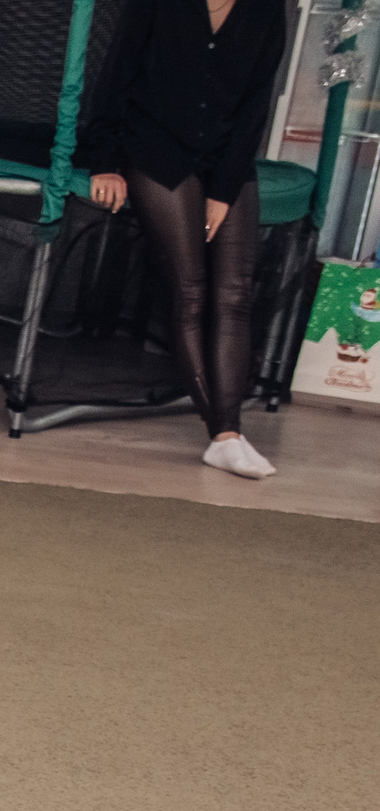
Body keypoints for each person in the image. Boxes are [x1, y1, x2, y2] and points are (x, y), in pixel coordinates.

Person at [84, 0, 290, 480]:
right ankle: (223, 435)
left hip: (226, 160)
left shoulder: (265, 10)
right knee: (191, 290)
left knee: (235, 293)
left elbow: (256, 103)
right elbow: (116, 78)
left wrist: (224, 188)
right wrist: (105, 161)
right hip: (156, 149)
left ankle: (229, 433)